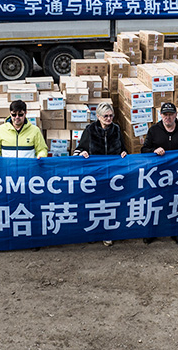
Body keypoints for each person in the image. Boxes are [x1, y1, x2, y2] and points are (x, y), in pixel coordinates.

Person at [74, 102, 127, 247]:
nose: (109, 119)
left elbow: (123, 149)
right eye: (105, 116)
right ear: (98, 116)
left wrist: (123, 153)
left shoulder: (116, 129)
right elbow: (78, 150)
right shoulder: (90, 130)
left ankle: (108, 233)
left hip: (112, 175)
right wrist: (82, 153)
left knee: (110, 204)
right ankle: (93, 232)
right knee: (94, 204)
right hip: (94, 175)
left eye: (111, 116)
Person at [141, 102, 178, 246]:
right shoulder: (154, 130)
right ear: (160, 115)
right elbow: (144, 149)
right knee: (155, 203)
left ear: (176, 115)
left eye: (171, 114)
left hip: (177, 176)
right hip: (157, 176)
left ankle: (175, 232)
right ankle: (152, 232)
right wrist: (154, 151)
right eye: (165, 115)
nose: (168, 117)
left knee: (175, 204)